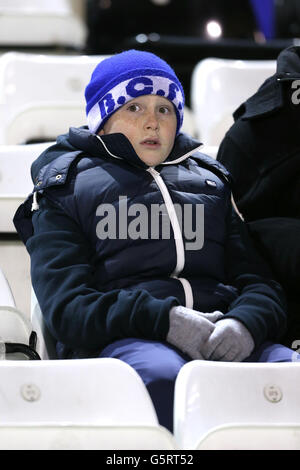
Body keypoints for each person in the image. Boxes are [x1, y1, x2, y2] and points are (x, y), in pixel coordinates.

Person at [14, 50, 298, 433]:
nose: (152, 122)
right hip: (126, 341)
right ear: (102, 119)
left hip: (223, 331)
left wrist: (245, 325)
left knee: (289, 376)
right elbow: (68, 308)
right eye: (133, 107)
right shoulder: (64, 188)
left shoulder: (212, 183)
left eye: (165, 110)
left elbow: (259, 282)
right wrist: (166, 320)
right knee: (167, 382)